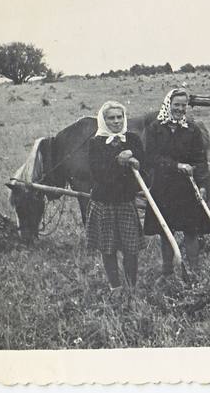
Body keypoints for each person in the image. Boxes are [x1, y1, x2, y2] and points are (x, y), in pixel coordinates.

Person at [143, 88, 210, 280]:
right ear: (168, 105)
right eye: (177, 105)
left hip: (188, 188)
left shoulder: (192, 129)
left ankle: (194, 272)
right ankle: (167, 271)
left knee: (191, 230)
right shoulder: (156, 128)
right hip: (164, 187)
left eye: (184, 105)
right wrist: (176, 165)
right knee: (166, 230)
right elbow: (151, 157)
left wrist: (203, 185)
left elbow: (200, 159)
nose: (180, 109)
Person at [86, 101, 145, 294]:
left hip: (126, 202)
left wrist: (135, 160)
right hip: (104, 203)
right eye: (111, 118)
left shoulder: (133, 140)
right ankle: (115, 287)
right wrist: (118, 161)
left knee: (131, 248)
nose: (116, 121)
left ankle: (131, 285)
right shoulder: (95, 143)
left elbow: (143, 165)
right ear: (103, 121)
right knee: (108, 247)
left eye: (119, 117)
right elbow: (98, 173)